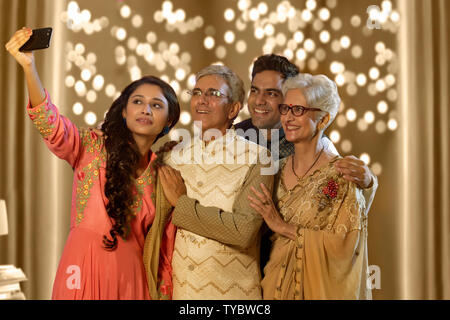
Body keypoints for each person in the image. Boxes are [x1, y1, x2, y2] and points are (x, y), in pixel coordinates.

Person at [5, 27, 180, 299]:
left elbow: (165, 253)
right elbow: (49, 123)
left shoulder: (164, 175)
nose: (146, 109)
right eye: (137, 102)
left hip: (133, 282)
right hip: (81, 272)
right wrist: (29, 67)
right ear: (124, 111)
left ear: (169, 122)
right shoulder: (92, 146)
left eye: (156, 105)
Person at [236, 54, 378, 273]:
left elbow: (344, 212)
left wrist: (368, 182)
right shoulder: (235, 136)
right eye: (255, 91)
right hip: (241, 263)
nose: (259, 101)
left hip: (293, 264)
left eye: (271, 93)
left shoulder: (314, 144)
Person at [153, 65, 274, 299]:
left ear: (233, 109)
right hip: (181, 293)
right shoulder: (174, 157)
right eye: (197, 93)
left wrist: (182, 203)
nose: (202, 100)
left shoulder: (258, 158)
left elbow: (243, 231)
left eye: (213, 94)